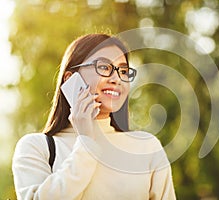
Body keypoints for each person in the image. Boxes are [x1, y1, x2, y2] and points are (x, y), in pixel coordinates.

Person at [12, 33, 176, 199]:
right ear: (70, 79)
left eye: (124, 71)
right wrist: (87, 141)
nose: (116, 79)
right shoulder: (36, 147)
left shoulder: (146, 147)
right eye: (104, 67)